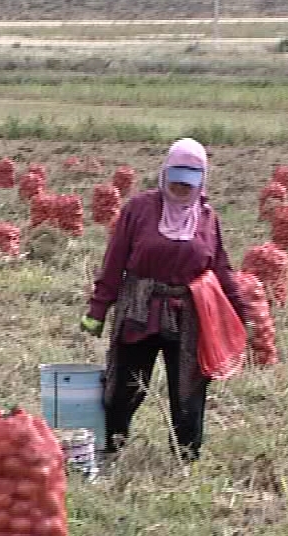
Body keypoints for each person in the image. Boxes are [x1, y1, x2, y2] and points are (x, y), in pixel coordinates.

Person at [83, 138, 249, 463]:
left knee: (188, 388)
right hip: (139, 308)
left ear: (202, 180)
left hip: (189, 312)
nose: (181, 188)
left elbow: (221, 268)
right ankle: (111, 447)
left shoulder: (207, 218)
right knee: (125, 385)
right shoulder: (139, 209)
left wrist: (244, 314)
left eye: (189, 183)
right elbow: (114, 262)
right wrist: (98, 309)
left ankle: (186, 456)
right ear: (163, 175)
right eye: (175, 180)